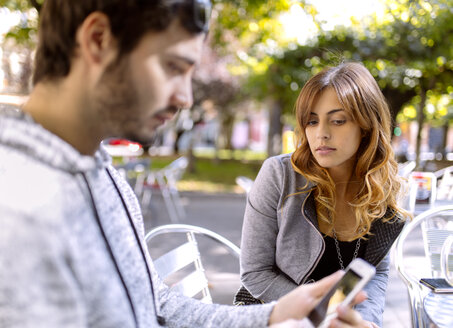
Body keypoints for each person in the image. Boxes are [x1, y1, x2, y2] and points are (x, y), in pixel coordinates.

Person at [0, 1, 368, 327]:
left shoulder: (102, 172)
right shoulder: (19, 213)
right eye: (173, 67)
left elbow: (156, 306)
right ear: (98, 40)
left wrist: (272, 316)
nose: (185, 97)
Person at [238, 62, 409, 327]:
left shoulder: (385, 188)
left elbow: (376, 271)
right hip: (273, 315)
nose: (321, 134)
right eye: (312, 121)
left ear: (366, 125)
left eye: (338, 120)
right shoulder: (279, 175)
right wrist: (321, 313)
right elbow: (256, 273)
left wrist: (365, 321)